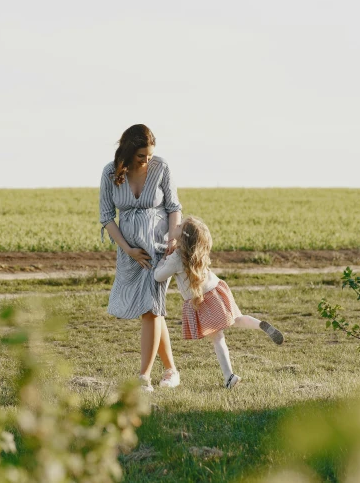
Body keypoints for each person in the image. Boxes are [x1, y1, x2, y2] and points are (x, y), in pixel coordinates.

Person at [154, 215, 285, 389]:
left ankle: (229, 377)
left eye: (179, 225)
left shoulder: (176, 258)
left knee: (218, 339)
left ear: (183, 236)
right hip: (217, 290)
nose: (175, 225)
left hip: (202, 300)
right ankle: (260, 324)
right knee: (237, 319)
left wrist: (163, 260)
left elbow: (158, 276)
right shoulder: (196, 252)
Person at [99, 124, 182, 392]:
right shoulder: (110, 173)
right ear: (128, 151)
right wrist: (128, 250)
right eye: (141, 156)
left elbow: (173, 208)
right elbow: (106, 218)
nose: (147, 161)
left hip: (158, 249)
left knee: (151, 309)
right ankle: (171, 370)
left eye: (149, 155)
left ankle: (144, 377)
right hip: (131, 254)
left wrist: (172, 238)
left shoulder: (161, 168)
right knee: (152, 310)